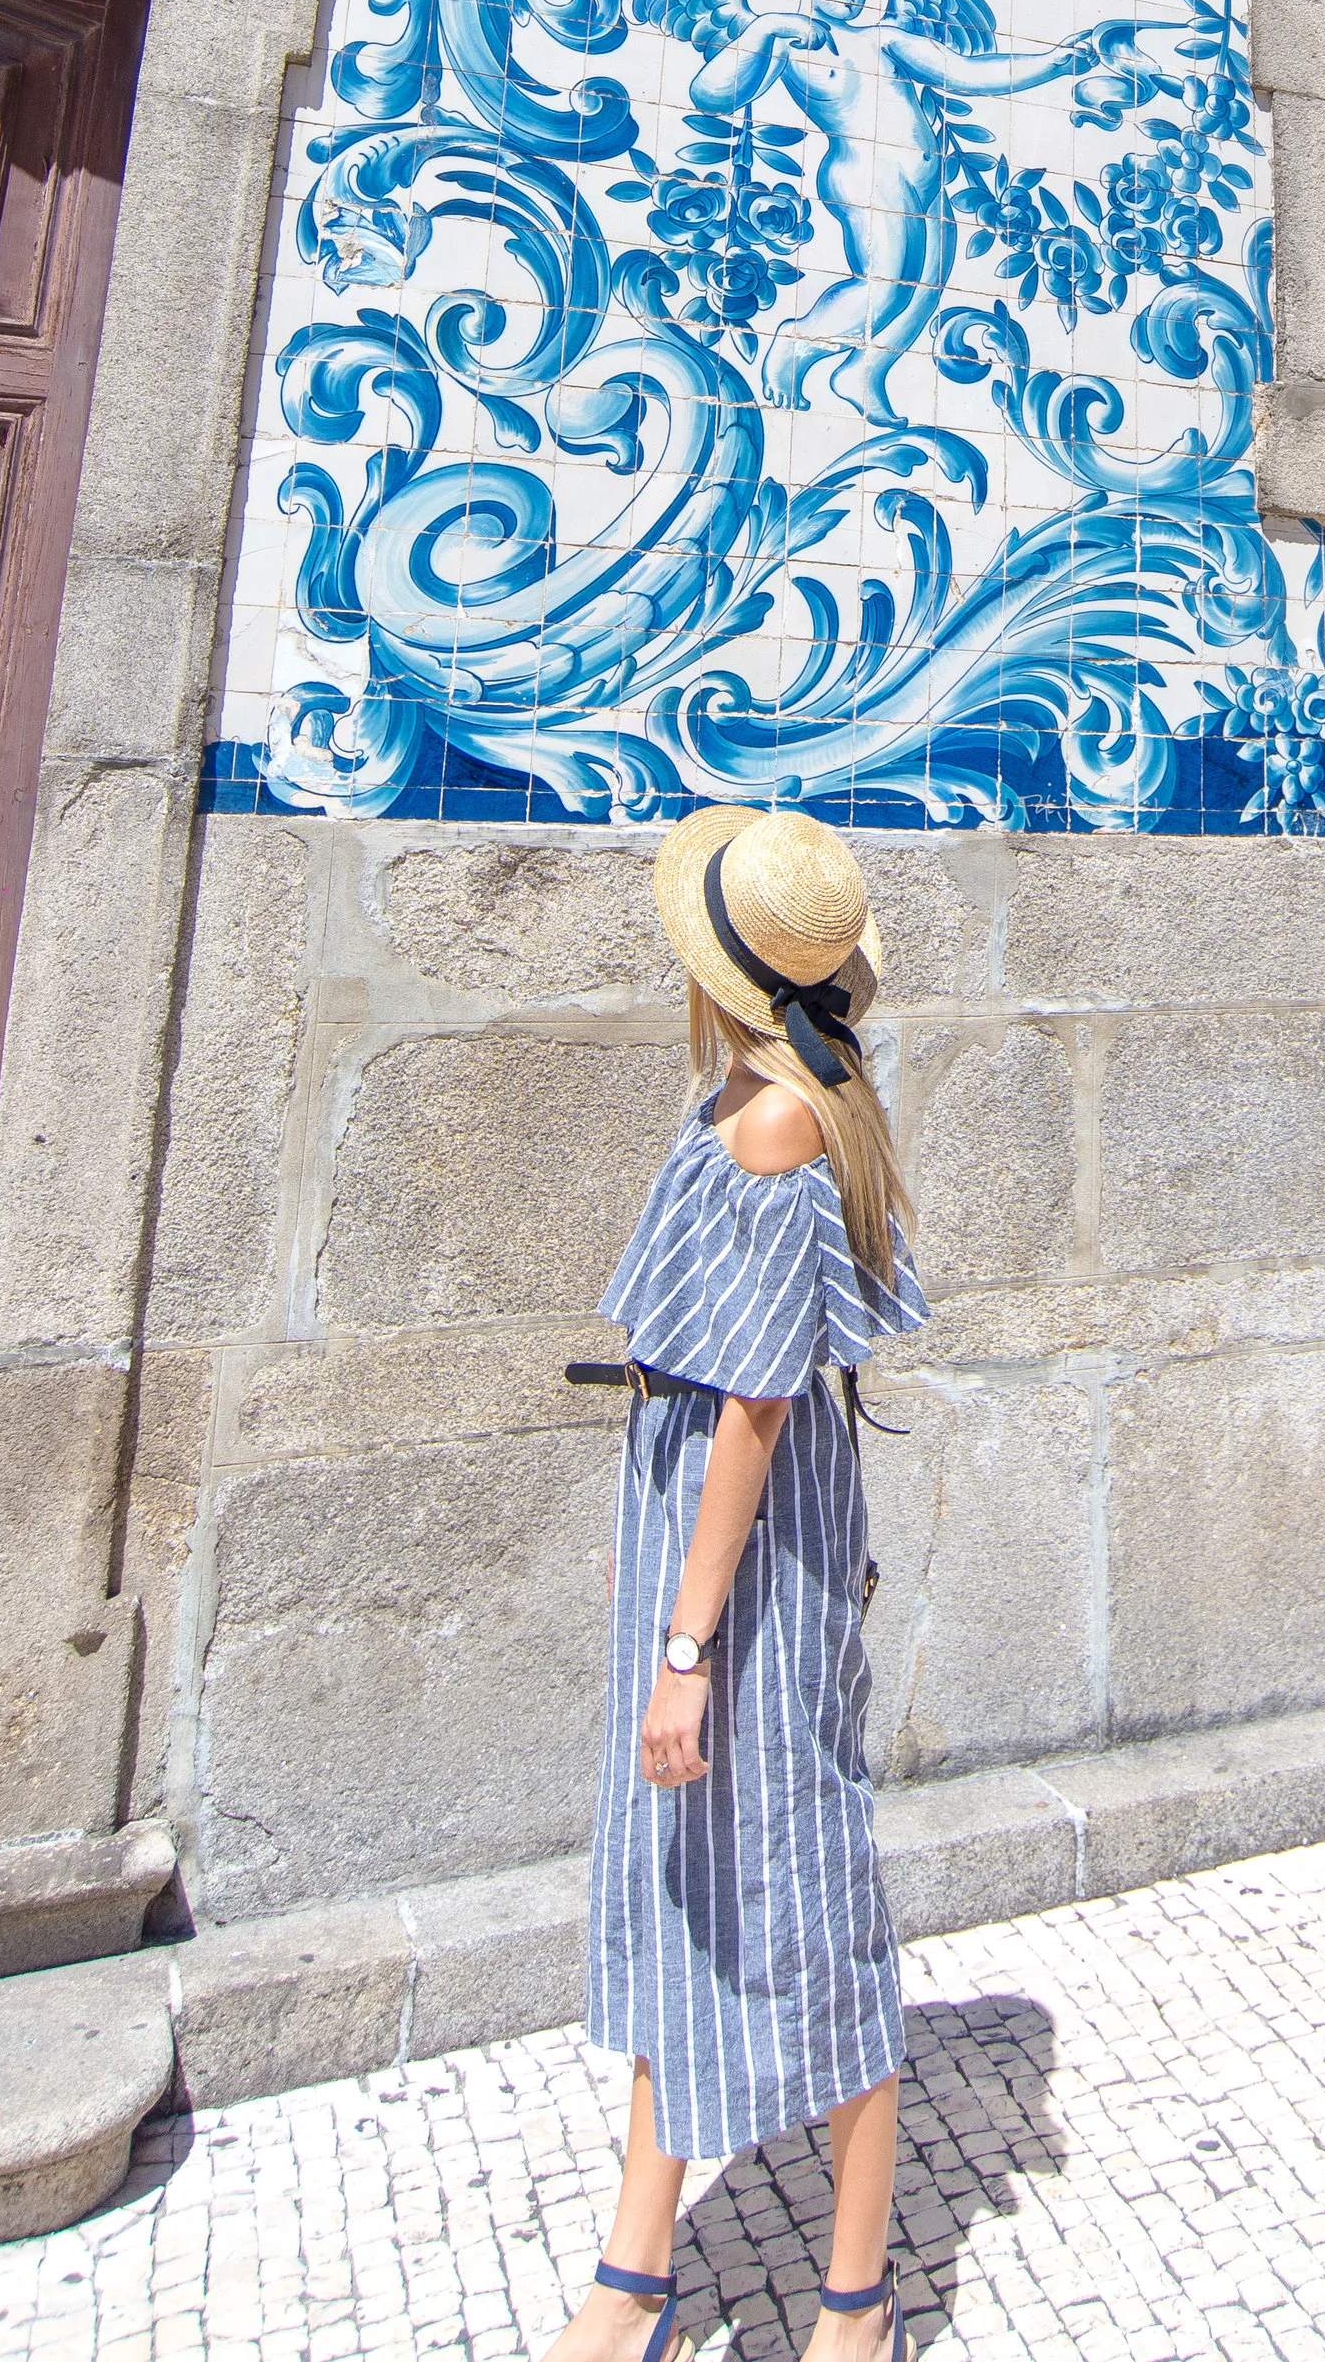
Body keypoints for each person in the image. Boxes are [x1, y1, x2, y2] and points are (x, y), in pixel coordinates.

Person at [544, 806, 927, 2362]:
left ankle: (857, 2296)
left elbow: (758, 1404)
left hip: (743, 1544)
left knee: (800, 1875)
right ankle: (637, 2269)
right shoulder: (772, 1087)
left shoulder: (776, 1120)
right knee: (682, 1867)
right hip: (708, 1513)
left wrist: (687, 1645)